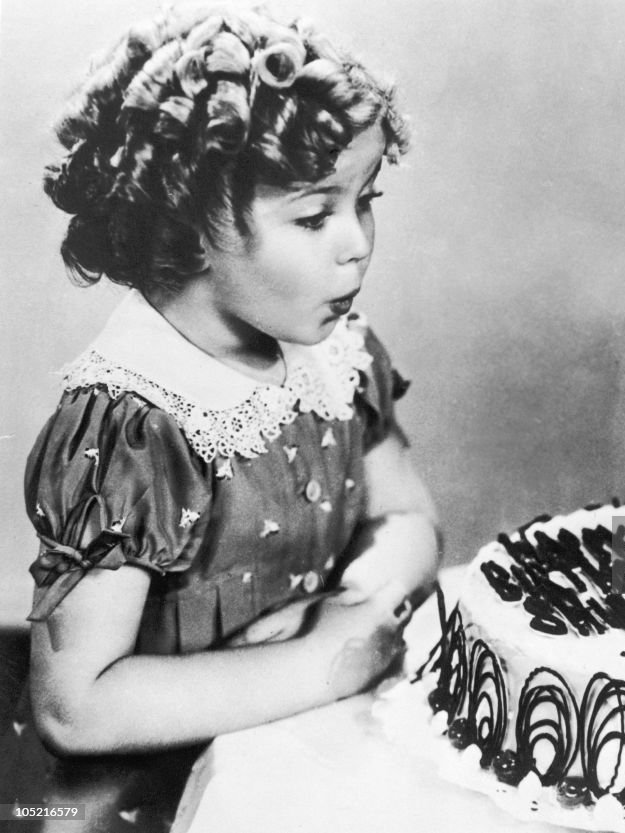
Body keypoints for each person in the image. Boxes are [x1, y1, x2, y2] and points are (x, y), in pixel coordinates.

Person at [0, 7, 440, 830]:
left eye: (365, 200)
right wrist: (319, 661)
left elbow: (410, 515)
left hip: (315, 734)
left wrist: (355, 603)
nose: (357, 244)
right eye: (314, 216)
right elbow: (75, 706)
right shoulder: (133, 421)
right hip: (155, 785)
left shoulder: (338, 355)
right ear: (188, 222)